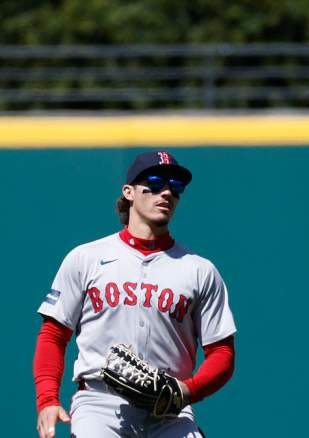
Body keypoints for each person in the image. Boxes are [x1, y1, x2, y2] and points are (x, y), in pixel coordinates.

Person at [33, 151, 237, 438]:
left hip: (170, 410)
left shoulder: (200, 270)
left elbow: (222, 353)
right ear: (128, 192)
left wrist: (187, 391)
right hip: (99, 403)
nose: (166, 192)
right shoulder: (86, 258)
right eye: (154, 182)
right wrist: (47, 400)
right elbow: (53, 335)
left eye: (175, 187)